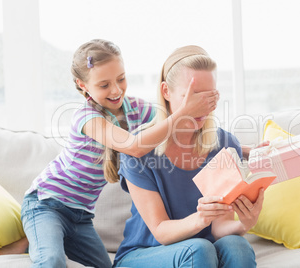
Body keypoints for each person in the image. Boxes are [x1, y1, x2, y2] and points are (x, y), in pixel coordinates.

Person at [16, 39, 219, 268]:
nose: (115, 90)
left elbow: (174, 125)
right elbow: (134, 146)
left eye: (121, 79)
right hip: (46, 203)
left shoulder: (135, 109)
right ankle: (40, 232)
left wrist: (241, 149)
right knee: (51, 261)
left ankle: (32, 240)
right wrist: (183, 112)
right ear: (82, 85)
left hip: (81, 216)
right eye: (104, 85)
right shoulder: (87, 118)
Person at [113, 45, 265, 268]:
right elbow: (160, 231)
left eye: (208, 97)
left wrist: (244, 223)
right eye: (192, 97)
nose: (201, 107)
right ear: (166, 92)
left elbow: (220, 228)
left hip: (202, 251)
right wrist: (200, 219)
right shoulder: (140, 149)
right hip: (146, 252)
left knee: (237, 246)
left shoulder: (224, 144)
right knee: (198, 249)